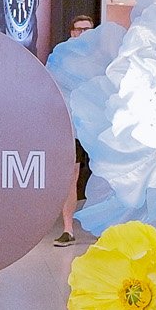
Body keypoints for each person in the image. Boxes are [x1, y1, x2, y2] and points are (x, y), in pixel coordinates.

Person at [56, 13, 97, 245]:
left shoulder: (99, 58)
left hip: (96, 124)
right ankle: (68, 229)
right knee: (71, 174)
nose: (83, 34)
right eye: (79, 30)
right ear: (72, 33)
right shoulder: (62, 58)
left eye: (87, 30)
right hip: (72, 125)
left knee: (106, 175)